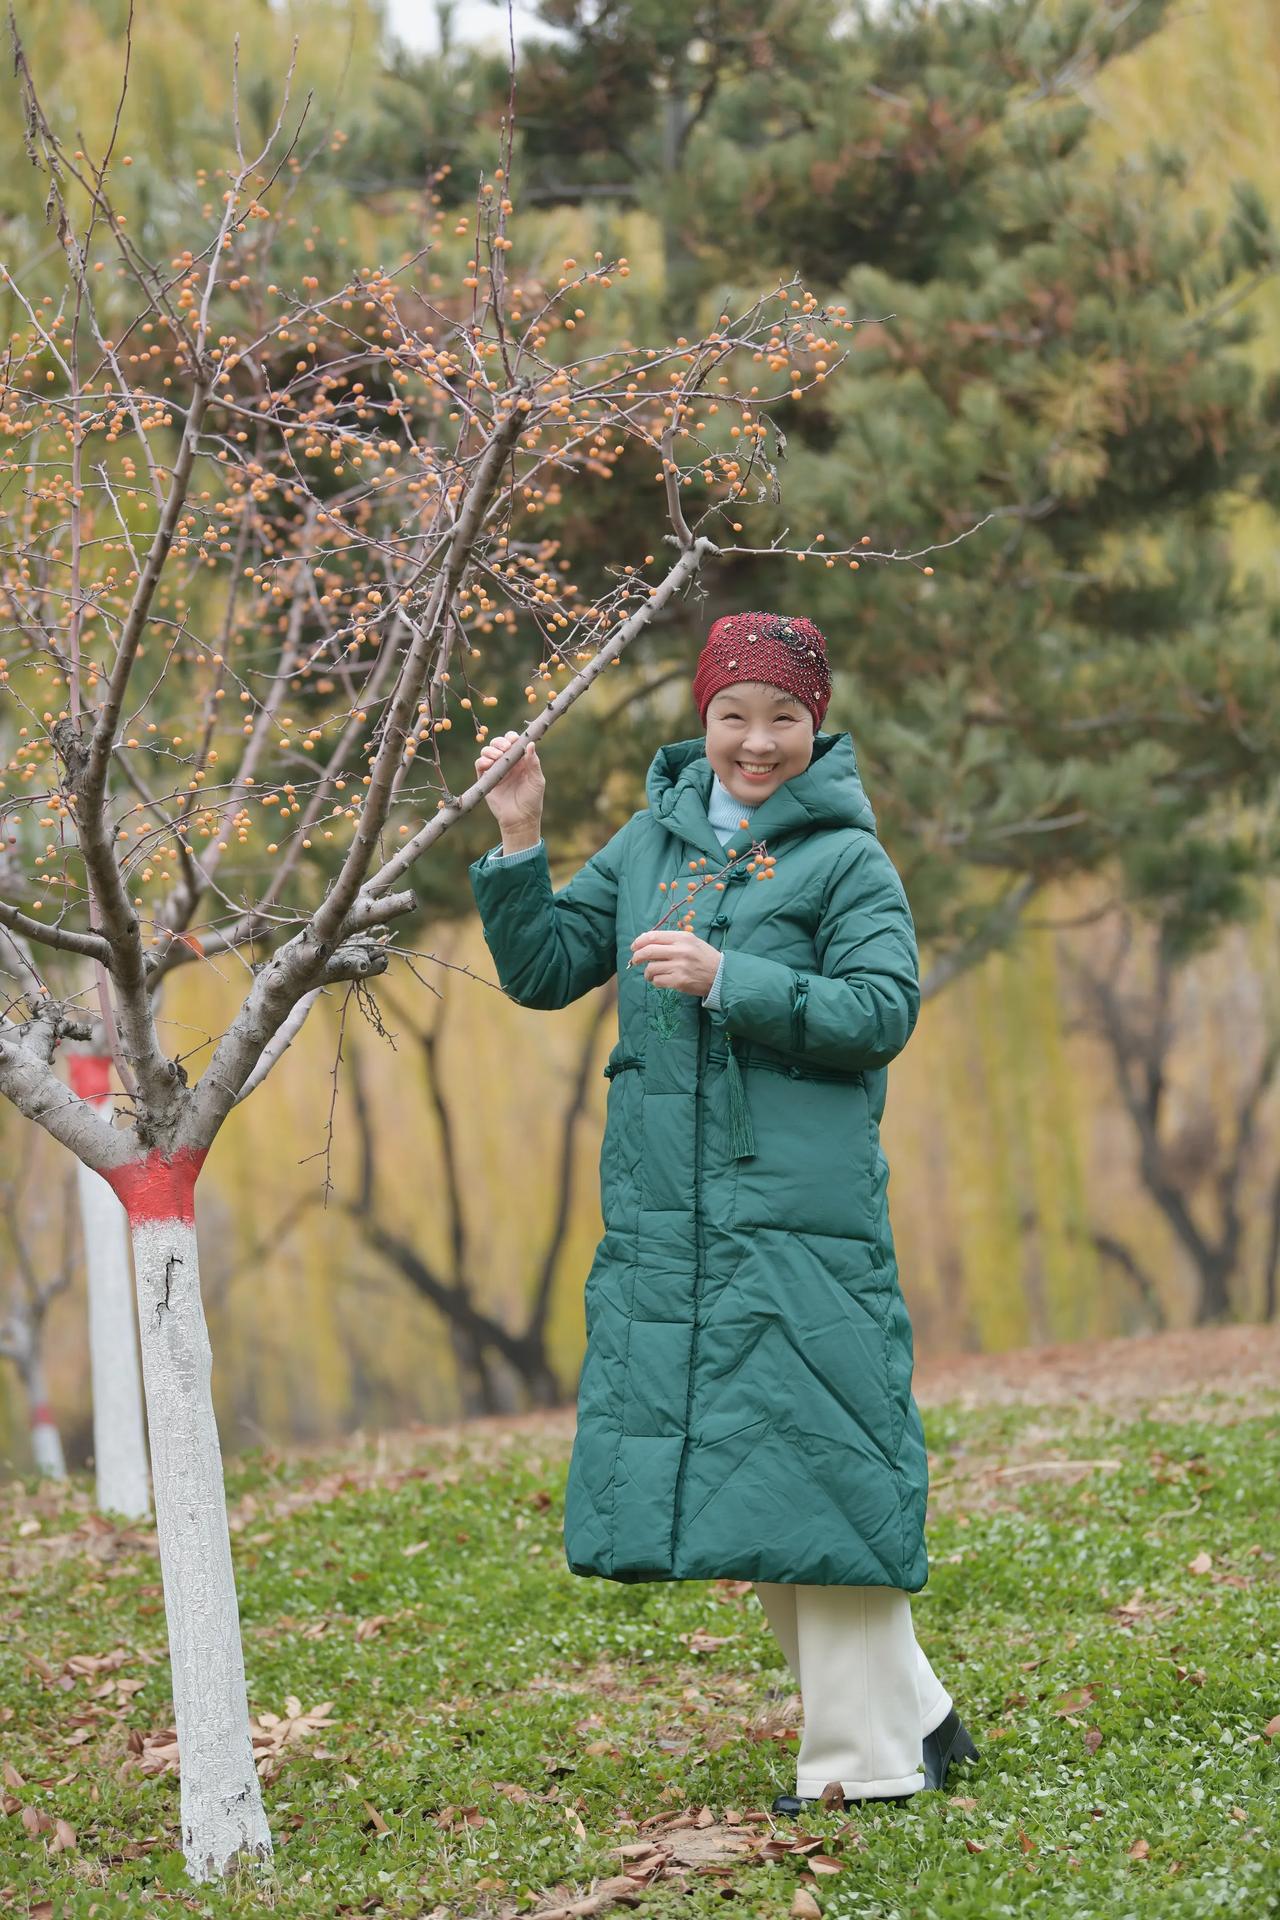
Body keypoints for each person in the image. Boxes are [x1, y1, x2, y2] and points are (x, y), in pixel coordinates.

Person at [468, 610, 978, 1811]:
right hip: (673, 1220)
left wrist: (727, 980)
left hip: (798, 1216)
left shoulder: (845, 859)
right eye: (733, 716)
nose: (757, 742)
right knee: (762, 1481)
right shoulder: (651, 843)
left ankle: (862, 1771)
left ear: (817, 724)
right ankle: (921, 1719)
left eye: (783, 718)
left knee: (824, 1466)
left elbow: (879, 1010)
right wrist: (518, 832)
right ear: (702, 720)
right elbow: (545, 973)